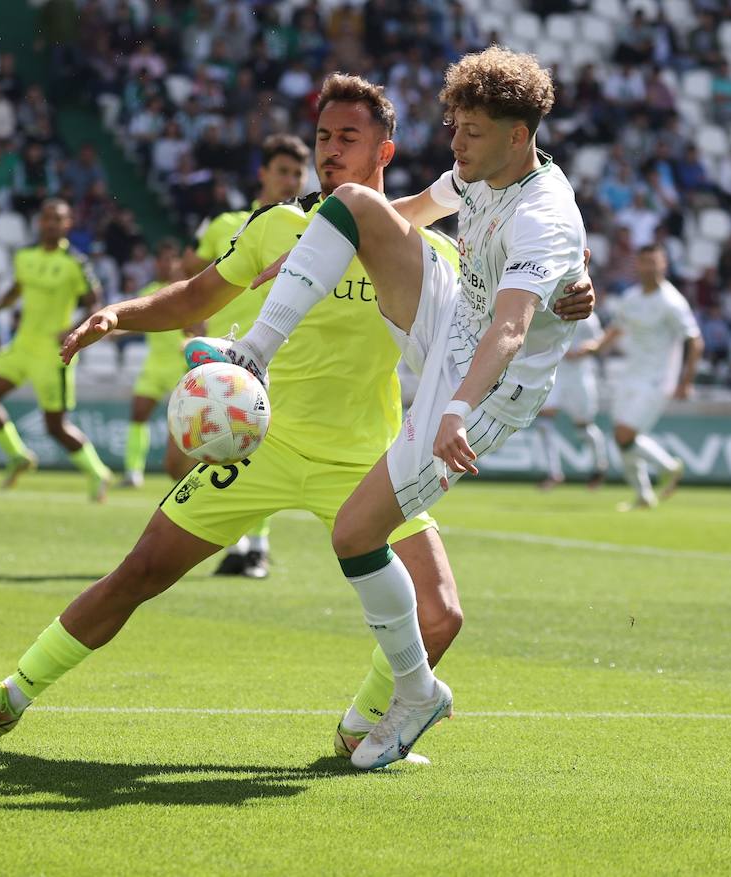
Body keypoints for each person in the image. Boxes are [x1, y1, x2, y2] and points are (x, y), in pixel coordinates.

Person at [0, 72, 595, 767]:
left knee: (442, 614)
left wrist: (569, 288)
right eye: (321, 137)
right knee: (142, 569)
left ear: (385, 151)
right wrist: (121, 314)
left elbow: (506, 293)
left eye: (348, 138)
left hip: (361, 453)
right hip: (265, 442)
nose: (329, 150)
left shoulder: (427, 251)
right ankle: (13, 692)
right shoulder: (280, 225)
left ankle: (362, 726)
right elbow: (195, 290)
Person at [185, 49, 591, 767]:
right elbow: (398, 214)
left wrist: (458, 409)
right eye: (454, 125)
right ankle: (251, 354)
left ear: (518, 132)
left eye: (471, 130)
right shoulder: (478, 170)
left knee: (353, 533)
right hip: (453, 319)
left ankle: (414, 691)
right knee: (351, 204)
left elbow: (513, 329)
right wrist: (324, 246)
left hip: (489, 384)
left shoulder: (546, 215)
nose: (455, 143)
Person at [182, 132, 309, 578]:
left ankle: (254, 546)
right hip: (220, 348)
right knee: (194, 454)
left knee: (253, 447)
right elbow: (189, 268)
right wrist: (192, 318)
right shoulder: (225, 224)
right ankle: (237, 544)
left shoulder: (308, 228)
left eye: (297, 172)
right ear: (262, 174)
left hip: (273, 355)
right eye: (282, 171)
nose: (291, 180)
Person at [0, 198, 113, 501]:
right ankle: (17, 455)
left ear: (68, 224)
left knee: (55, 427)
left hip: (53, 353)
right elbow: (17, 288)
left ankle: (97, 472)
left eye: (58, 219)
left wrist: (76, 326)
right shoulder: (24, 256)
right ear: (40, 222)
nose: (51, 223)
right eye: (47, 218)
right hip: (22, 345)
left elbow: (95, 302)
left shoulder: (76, 262)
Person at [578, 243, 702, 511]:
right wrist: (596, 347)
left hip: (659, 379)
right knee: (622, 438)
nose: (649, 267)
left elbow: (695, 342)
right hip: (631, 373)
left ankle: (669, 466)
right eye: (644, 261)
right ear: (638, 265)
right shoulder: (632, 297)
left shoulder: (672, 302)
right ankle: (644, 495)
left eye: (654, 261)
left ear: (664, 264)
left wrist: (686, 381)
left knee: (625, 435)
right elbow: (617, 329)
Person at [120, 240, 192, 489]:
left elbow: (197, 325)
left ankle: (187, 472)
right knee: (138, 412)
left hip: (179, 366)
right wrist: (112, 329)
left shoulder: (187, 290)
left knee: (182, 425)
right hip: (153, 365)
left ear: (178, 262)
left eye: (171, 259)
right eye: (161, 259)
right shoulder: (150, 289)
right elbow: (140, 320)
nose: (165, 264)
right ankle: (133, 472)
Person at [535, 312, 609, 490]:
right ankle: (554, 473)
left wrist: (586, 349)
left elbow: (598, 342)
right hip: (556, 374)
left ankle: (600, 466)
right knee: (544, 421)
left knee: (584, 427)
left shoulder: (589, 318)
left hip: (580, 376)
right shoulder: (552, 313)